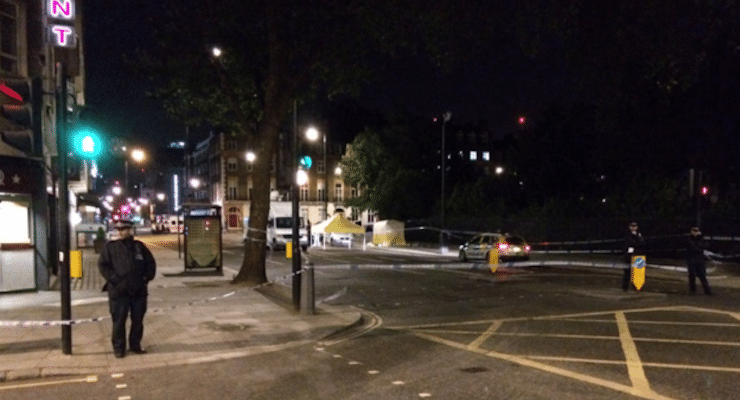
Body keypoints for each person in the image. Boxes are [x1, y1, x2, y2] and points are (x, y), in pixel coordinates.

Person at [98, 219, 157, 358]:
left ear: (130, 230)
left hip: (138, 291)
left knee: (138, 320)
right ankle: (119, 348)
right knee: (119, 321)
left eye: (123, 229)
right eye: (118, 229)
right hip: (119, 291)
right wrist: (115, 280)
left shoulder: (139, 247)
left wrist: (144, 279)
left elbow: (150, 265)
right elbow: (103, 265)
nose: (120, 232)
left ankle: (135, 345)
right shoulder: (110, 247)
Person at [686, 226, 712, 295]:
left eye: (696, 231)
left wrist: (699, 247)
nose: (695, 233)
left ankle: (707, 290)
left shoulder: (701, 238)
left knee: (702, 275)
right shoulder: (689, 238)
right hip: (691, 259)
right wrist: (700, 248)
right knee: (692, 275)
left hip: (700, 259)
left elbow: (706, 245)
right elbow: (692, 247)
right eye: (694, 231)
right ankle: (692, 290)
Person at [623, 221, 645, 291]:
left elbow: (642, 243)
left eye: (634, 226)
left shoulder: (639, 234)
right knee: (627, 272)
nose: (633, 228)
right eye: (632, 226)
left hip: (637, 255)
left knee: (637, 272)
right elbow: (629, 244)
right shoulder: (628, 235)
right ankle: (625, 287)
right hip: (629, 256)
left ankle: (636, 287)